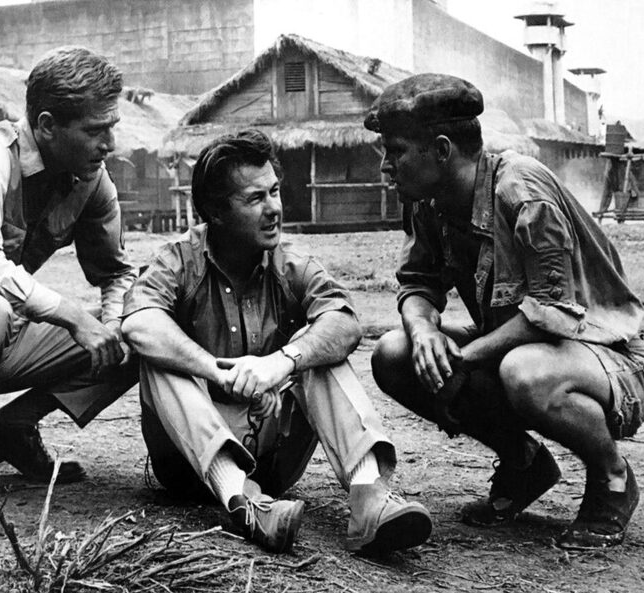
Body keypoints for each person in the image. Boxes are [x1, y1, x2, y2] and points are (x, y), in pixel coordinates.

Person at [367, 73, 644, 550]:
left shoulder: (520, 186)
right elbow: (417, 284)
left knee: (525, 371)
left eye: (394, 151)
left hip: (610, 357)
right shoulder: (428, 201)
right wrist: (422, 329)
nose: (386, 166)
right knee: (395, 352)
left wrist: (471, 353)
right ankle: (524, 464)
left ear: (441, 150)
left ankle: (613, 477)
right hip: (523, 351)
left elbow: (553, 311)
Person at [121, 129, 432, 555]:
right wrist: (214, 370)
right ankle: (240, 499)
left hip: (273, 458)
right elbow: (139, 323)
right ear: (216, 211)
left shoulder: (292, 266)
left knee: (319, 343)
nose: (274, 209)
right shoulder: (177, 261)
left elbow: (344, 323)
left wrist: (281, 362)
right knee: (158, 354)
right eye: (255, 199)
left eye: (275, 191)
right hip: (188, 461)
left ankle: (368, 497)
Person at [0, 46, 138, 502]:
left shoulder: (90, 177)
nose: (109, 143)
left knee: (141, 328)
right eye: (95, 130)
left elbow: (116, 272)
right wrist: (71, 315)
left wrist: (112, 326)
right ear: (48, 125)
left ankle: (11, 429)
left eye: (111, 127)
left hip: (7, 334)